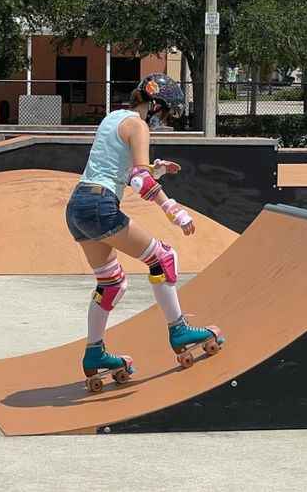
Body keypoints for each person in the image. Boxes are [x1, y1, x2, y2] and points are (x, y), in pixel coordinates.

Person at [65, 73, 223, 381]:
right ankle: (179, 331)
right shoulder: (138, 125)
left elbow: (123, 171)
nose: (162, 120)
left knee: (111, 284)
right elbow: (138, 178)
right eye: (164, 113)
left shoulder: (112, 119)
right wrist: (172, 209)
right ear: (153, 104)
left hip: (78, 206)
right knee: (163, 258)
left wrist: (157, 170)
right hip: (100, 206)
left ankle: (94, 351)